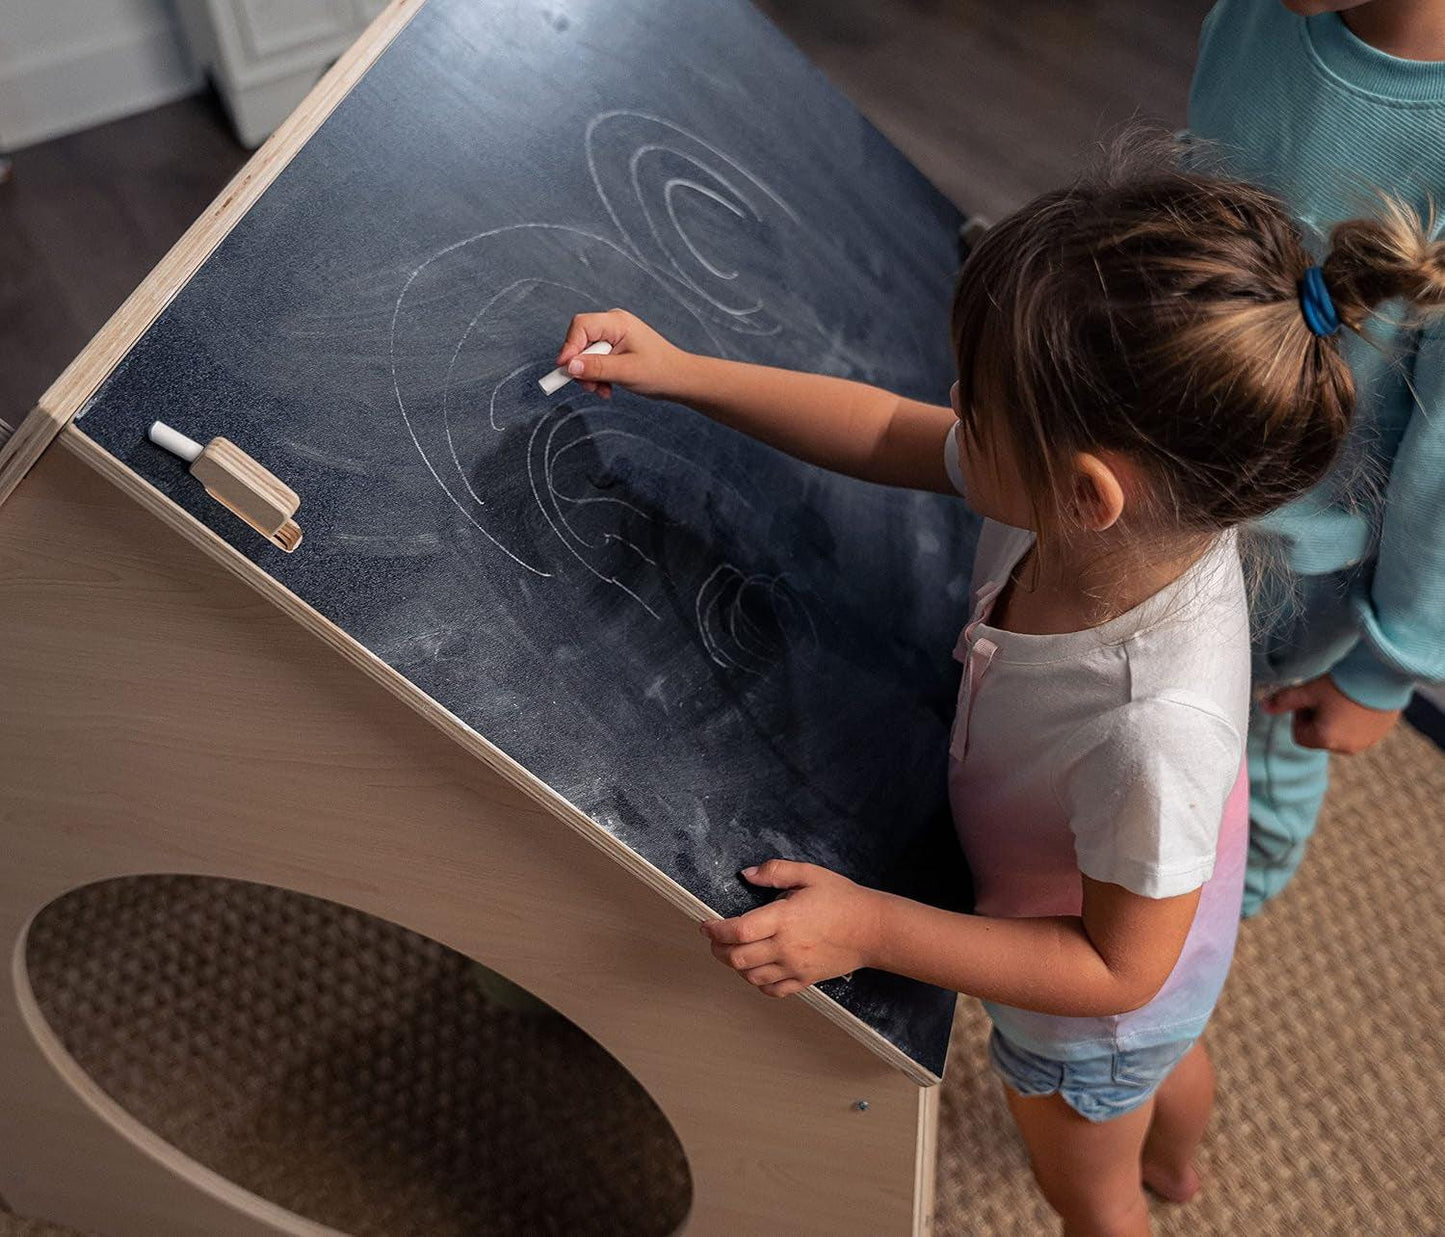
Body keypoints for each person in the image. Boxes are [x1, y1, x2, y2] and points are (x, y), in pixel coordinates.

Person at [553, 148, 1442, 1233]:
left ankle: (1149, 1183)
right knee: (1177, 1051)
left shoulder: (1151, 726)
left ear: (1086, 492)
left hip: (1096, 1008)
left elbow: (1114, 969)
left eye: (979, 409)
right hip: (1156, 897)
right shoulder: (1101, 504)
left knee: (1087, 1180)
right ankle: (1181, 1158)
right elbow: (882, 430)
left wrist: (872, 928)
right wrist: (685, 371)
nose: (953, 409)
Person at [1189, 0, 1445, 915]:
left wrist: (1383, 668)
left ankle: (1217, 919)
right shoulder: (1254, 19)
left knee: (1247, 745)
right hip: (1176, 456)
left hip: (1299, 568)